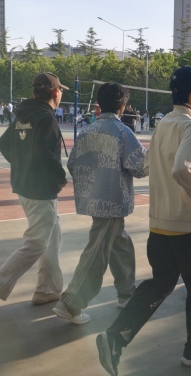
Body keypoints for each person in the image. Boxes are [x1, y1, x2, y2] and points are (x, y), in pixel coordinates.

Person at [96, 66, 191, 376]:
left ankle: (115, 337)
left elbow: (149, 164)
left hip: (159, 224)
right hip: (186, 224)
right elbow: (181, 169)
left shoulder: (164, 123)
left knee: (160, 284)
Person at [0, 72, 68, 318]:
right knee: (37, 242)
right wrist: (60, 178)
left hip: (24, 184)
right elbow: (46, 154)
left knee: (52, 236)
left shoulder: (24, 115)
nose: (61, 94)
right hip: (40, 189)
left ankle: (48, 289)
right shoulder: (46, 118)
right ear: (55, 92)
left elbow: (4, 144)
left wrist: (22, 165)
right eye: (60, 90)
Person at [52, 83, 147, 324]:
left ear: (99, 104)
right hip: (113, 200)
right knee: (97, 252)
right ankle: (71, 303)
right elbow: (140, 167)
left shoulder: (87, 131)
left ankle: (126, 292)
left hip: (93, 198)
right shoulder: (123, 132)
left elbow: (73, 163)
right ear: (122, 106)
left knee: (120, 245)